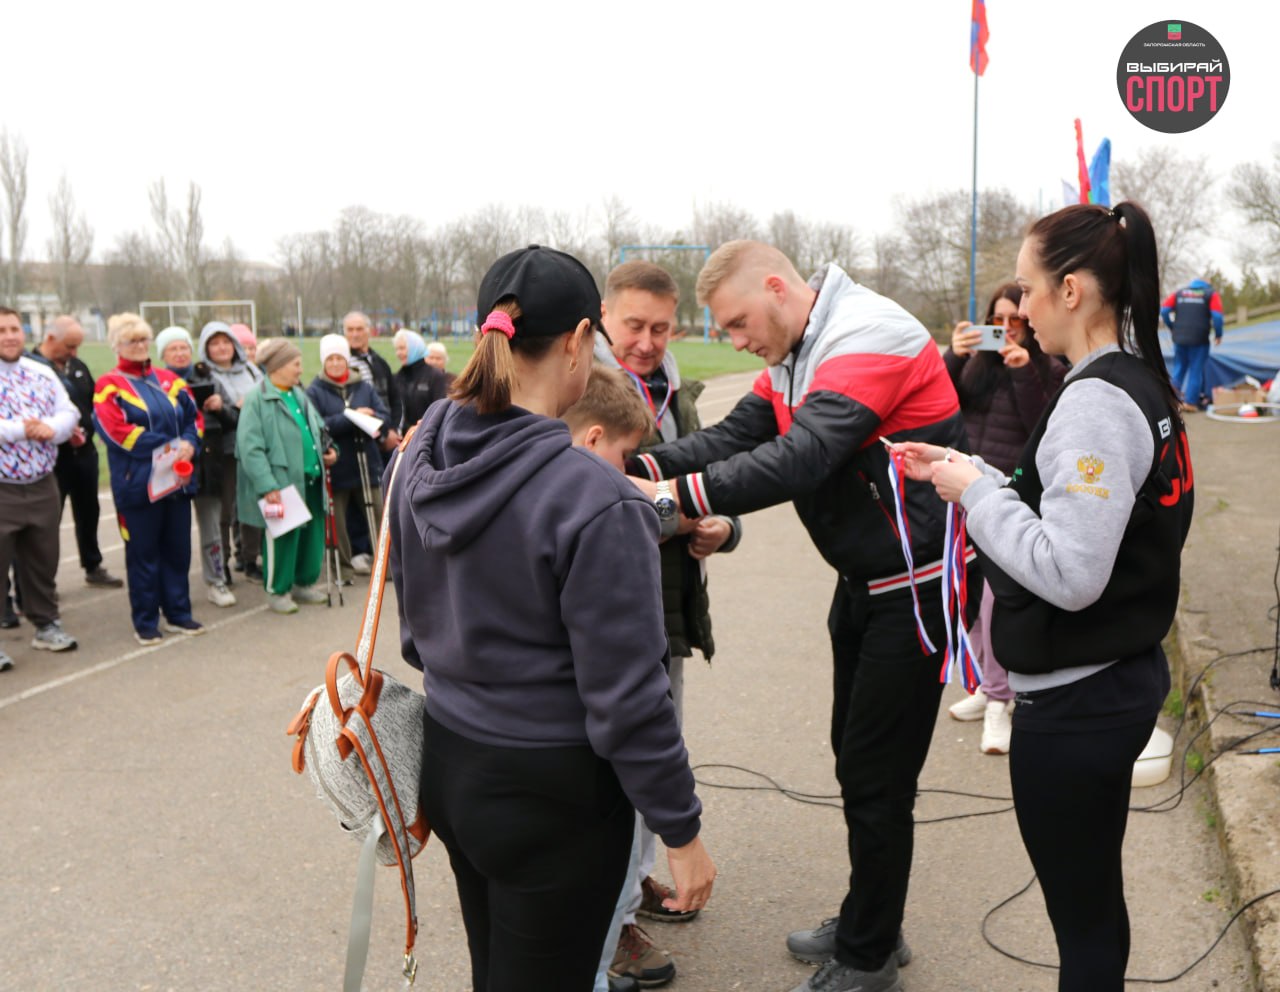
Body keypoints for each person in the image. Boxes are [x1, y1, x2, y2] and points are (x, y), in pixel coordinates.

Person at [625, 241, 967, 992]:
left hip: (913, 586)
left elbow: (800, 458)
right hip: (867, 579)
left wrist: (664, 502)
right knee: (857, 760)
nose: (738, 340)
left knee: (877, 776)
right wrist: (634, 465)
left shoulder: (867, 334)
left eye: (740, 322)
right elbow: (732, 438)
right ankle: (868, 917)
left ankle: (871, 953)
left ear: (778, 288)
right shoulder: (795, 350)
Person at [388, 245, 715, 992]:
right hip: (552, 792)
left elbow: (415, 629)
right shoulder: (595, 498)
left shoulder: (419, 456)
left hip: (453, 761)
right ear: (575, 342)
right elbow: (630, 698)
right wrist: (682, 829)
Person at [896, 201, 1193, 992]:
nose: (1017, 311)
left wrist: (973, 497)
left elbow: (1071, 571)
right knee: (1094, 903)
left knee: (1084, 924)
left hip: (1077, 704)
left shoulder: (1096, 401)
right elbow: (1072, 509)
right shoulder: (1125, 378)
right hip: (1107, 683)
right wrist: (978, 476)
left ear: (1070, 290)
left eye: (1025, 290)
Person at [595, 260, 742, 989]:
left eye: (660, 327)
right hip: (612, 613)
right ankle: (610, 919)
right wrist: (672, 511)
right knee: (623, 764)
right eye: (634, 326)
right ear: (602, 318)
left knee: (662, 750)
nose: (648, 342)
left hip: (671, 604)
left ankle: (639, 878)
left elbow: (701, 481)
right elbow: (595, 503)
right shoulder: (581, 392)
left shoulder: (676, 387)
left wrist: (721, 525)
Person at [943, 284, 1067, 754]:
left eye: (1014, 319)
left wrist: (1022, 373)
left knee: (998, 601)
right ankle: (987, 685)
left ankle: (1000, 701)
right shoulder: (977, 365)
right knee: (968, 597)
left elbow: (1043, 429)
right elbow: (939, 401)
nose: (1006, 329)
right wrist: (953, 356)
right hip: (961, 491)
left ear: (1031, 320)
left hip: (1009, 498)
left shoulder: (1049, 369)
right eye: (996, 320)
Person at [94, 313, 206, 645]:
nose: (141, 346)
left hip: (178, 480)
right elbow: (117, 433)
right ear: (117, 345)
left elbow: (193, 417)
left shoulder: (170, 379)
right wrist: (169, 445)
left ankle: (178, 613)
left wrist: (189, 443)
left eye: (144, 339)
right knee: (143, 554)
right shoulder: (108, 386)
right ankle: (145, 620)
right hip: (137, 483)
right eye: (132, 341)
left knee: (178, 550)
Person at [0, 306, 81, 669]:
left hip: (42, 484)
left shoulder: (40, 371)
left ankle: (46, 625)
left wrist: (53, 428)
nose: (10, 336)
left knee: (42, 560)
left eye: (14, 328)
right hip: (3, 488)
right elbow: (13, 427)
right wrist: (22, 429)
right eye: (1, 330)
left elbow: (69, 413)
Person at [236, 338, 336, 614]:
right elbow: (250, 448)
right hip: (282, 484)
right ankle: (278, 589)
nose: (300, 370)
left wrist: (331, 452)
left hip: (311, 481)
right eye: (295, 364)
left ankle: (304, 583)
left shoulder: (298, 394)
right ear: (278, 366)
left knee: (312, 535)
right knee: (284, 538)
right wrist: (267, 484)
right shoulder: (257, 399)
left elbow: (318, 429)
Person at [29, 315, 123, 588]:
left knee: (88, 511)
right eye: (69, 346)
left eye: (77, 346)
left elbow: (94, 403)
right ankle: (44, 579)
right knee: (47, 522)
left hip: (84, 455)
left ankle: (92, 564)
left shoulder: (78, 366)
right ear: (50, 339)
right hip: (51, 458)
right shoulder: (33, 369)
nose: (74, 352)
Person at [156, 325, 235, 608]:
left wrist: (219, 408)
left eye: (184, 347)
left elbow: (233, 418)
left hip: (209, 460)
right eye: (172, 348)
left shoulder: (207, 376)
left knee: (212, 526)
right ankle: (171, 588)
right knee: (171, 531)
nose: (179, 353)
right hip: (170, 464)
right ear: (163, 354)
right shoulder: (155, 382)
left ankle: (216, 580)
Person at [305, 334, 389, 578]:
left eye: (339, 358)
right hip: (337, 465)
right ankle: (342, 568)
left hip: (366, 462)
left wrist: (370, 419)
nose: (335, 363)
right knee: (337, 522)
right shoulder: (315, 390)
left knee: (378, 515)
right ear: (323, 362)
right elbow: (318, 424)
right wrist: (349, 416)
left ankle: (385, 564)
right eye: (330, 359)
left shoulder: (363, 386)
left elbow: (383, 416)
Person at [200, 321, 264, 582]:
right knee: (225, 511)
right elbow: (221, 414)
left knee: (252, 506)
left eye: (225, 342)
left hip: (255, 446)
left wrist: (241, 407)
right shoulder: (204, 376)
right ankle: (222, 563)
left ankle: (249, 558)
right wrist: (238, 409)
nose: (222, 348)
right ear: (206, 348)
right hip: (224, 451)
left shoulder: (250, 370)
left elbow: (263, 399)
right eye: (214, 343)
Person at [342, 310, 402, 452]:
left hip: (387, 434)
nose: (355, 334)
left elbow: (395, 399)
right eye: (350, 330)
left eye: (359, 329)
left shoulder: (380, 362)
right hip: (359, 439)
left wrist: (392, 431)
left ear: (368, 331)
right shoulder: (340, 363)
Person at [1160, 278, 1224, 412]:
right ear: (1206, 283)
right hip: (1199, 339)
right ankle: (1190, 403)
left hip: (1179, 338)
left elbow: (1164, 310)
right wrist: (1218, 334)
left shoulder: (1179, 293)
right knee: (1195, 370)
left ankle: (1171, 401)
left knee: (1179, 369)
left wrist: (1172, 327)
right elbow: (1217, 317)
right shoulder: (1210, 294)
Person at [393, 328, 450, 432]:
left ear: (415, 347)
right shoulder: (396, 378)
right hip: (401, 441)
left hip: (427, 437)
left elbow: (440, 410)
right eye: (397, 349)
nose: (399, 353)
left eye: (402, 348)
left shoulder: (435, 376)